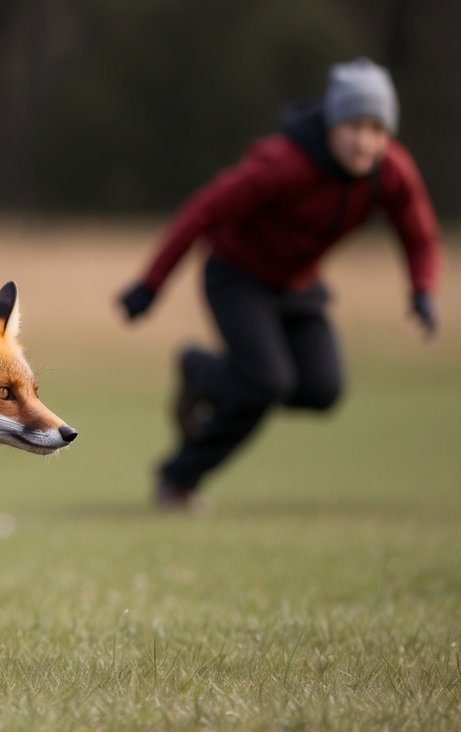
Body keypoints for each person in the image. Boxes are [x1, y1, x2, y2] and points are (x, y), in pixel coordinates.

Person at [117, 57, 442, 511]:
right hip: (237, 275)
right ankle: (178, 477)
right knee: (265, 381)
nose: (365, 139)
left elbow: (419, 234)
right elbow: (203, 211)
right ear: (333, 123)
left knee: (321, 390)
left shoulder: (390, 172)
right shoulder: (283, 164)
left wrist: (423, 290)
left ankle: (203, 374)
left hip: (299, 285)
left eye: (376, 128)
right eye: (354, 125)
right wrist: (150, 284)